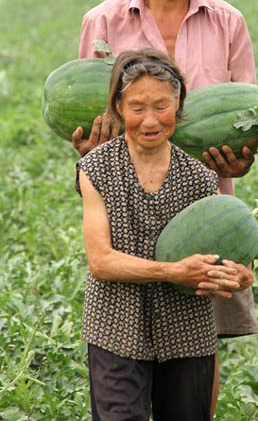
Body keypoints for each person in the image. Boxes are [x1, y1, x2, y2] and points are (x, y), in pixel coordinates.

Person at [73, 0, 258, 414]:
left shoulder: (229, 22)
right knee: (122, 345)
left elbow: (246, 122)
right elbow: (91, 122)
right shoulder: (103, 23)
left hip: (208, 206)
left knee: (199, 352)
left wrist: (240, 161)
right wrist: (89, 147)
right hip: (125, 205)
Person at [76, 48, 249, 421]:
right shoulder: (96, 169)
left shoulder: (201, 178)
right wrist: (172, 271)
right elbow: (101, 261)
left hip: (186, 332)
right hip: (115, 329)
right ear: (118, 107)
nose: (150, 120)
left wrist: (237, 275)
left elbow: (224, 257)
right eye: (137, 108)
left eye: (161, 106)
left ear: (179, 104)